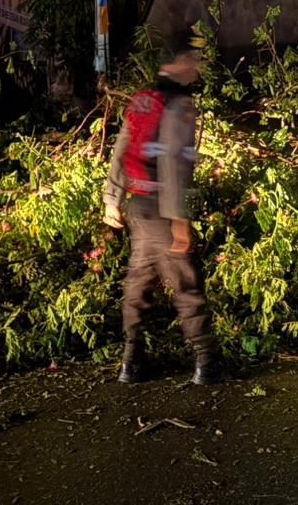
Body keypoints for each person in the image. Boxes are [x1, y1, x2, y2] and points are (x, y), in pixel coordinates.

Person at [103, 47, 221, 385]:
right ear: (178, 62)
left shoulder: (143, 98)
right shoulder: (179, 103)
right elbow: (173, 160)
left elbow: (122, 148)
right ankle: (206, 362)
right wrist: (179, 220)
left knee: (138, 285)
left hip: (138, 205)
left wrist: (112, 198)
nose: (198, 68)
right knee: (185, 285)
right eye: (194, 61)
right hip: (162, 209)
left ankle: (131, 364)